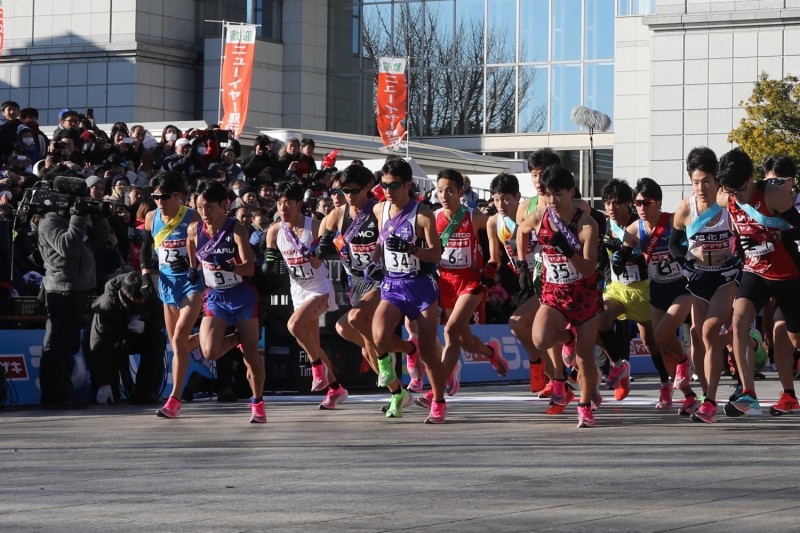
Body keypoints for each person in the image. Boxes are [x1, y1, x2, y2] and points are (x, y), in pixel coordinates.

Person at [318, 164, 413, 417]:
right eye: (344, 191)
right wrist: (324, 242)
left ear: (368, 189)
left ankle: (389, 356)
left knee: (356, 318)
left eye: (354, 191)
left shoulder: (379, 209)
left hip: (383, 279)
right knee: (347, 331)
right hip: (356, 282)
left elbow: (395, 231)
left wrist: (384, 258)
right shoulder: (339, 214)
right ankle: (398, 390)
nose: (349, 196)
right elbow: (322, 233)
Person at [719, 148, 800, 417]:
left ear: (752, 177)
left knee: (789, 337)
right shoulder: (726, 196)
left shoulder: (772, 193)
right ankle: (748, 392)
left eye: (740, 189)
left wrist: (773, 238)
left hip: (788, 276)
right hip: (756, 272)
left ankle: (789, 395)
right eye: (731, 190)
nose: (736, 196)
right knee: (739, 319)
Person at [368, 159, 446, 423]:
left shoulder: (422, 214)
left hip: (421, 286)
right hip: (393, 285)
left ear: (408, 185)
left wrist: (412, 250)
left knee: (428, 350)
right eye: (384, 185)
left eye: (394, 185)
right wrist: (374, 262)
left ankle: (438, 399)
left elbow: (436, 254)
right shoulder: (380, 209)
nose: (388, 190)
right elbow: (381, 241)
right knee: (378, 336)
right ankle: (405, 355)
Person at [668, 148, 741, 423]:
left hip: (725, 278)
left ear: (717, 180)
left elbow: (745, 236)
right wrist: (683, 264)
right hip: (698, 279)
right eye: (696, 181)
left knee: (709, 330)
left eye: (707, 181)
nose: (701, 187)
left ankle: (710, 400)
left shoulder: (727, 205)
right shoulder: (686, 208)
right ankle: (705, 394)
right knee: (699, 336)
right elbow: (674, 244)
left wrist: (737, 259)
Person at [526, 166, 603, 428]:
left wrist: (568, 252)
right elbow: (522, 227)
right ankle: (567, 337)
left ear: (571, 192)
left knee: (584, 356)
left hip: (583, 294)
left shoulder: (586, 224)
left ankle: (584, 407)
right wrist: (521, 256)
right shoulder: (540, 216)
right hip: (554, 292)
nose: (553, 201)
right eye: (548, 195)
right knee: (540, 338)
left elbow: (590, 268)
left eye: (558, 194)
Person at [186, 181, 266, 423]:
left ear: (224, 206)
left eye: (209, 207)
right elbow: (192, 246)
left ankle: (258, 402)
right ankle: (237, 338)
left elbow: (250, 268)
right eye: (200, 207)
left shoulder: (236, 229)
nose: (204, 213)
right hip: (216, 297)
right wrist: (192, 268)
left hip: (241, 295)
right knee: (209, 351)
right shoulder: (194, 229)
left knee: (251, 356)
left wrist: (230, 266)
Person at [265, 181, 349, 409]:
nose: (282, 208)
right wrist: (266, 267)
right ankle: (335, 389)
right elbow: (270, 259)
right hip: (297, 290)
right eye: (279, 203)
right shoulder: (274, 230)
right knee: (312, 343)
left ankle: (316, 368)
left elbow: (318, 259)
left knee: (294, 326)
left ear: (299, 204)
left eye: (287, 204)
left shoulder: (315, 226)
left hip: (319, 287)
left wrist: (313, 251)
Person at [618, 178, 699, 415]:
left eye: (647, 202)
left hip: (682, 287)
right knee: (655, 343)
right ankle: (687, 395)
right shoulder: (634, 228)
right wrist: (621, 256)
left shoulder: (673, 221)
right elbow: (623, 247)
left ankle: (684, 361)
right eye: (638, 203)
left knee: (665, 333)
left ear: (659, 203)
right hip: (658, 289)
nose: (642, 208)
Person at [432, 168, 509, 404]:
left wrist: (491, 265)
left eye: (450, 191)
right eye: (440, 190)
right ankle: (491, 352)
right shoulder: (433, 217)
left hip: (471, 282)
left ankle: (436, 392)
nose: (444, 195)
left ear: (461, 191)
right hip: (446, 282)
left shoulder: (474, 216)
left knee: (450, 330)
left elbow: (495, 243)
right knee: (463, 339)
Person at [141, 172, 205, 419]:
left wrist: (193, 265)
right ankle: (214, 334)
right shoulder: (151, 217)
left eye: (165, 196)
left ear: (178, 195)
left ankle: (174, 400)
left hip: (191, 284)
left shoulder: (191, 216)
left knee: (179, 338)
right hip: (166, 285)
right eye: (156, 196)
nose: (160, 202)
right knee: (179, 345)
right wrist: (147, 274)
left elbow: (207, 249)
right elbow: (146, 250)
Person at [485, 173, 549, 396]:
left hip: (546, 279)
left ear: (517, 197)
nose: (500, 205)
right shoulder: (494, 222)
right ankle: (553, 375)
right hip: (523, 283)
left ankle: (540, 366)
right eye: (496, 199)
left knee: (520, 324)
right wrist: (488, 273)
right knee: (531, 330)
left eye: (505, 199)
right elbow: (495, 258)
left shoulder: (531, 215)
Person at [37, 177, 96, 408]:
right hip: (62, 288)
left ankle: (62, 393)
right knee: (58, 343)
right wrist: (78, 217)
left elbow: (98, 242)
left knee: (68, 343)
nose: (79, 204)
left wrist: (97, 218)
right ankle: (57, 396)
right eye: (77, 200)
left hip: (75, 287)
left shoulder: (69, 219)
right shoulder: (50, 221)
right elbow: (67, 247)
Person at [84, 271, 166, 405]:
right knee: (111, 396)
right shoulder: (107, 305)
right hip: (108, 342)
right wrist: (103, 383)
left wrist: (146, 326)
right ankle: (105, 386)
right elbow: (98, 345)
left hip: (130, 337)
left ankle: (145, 391)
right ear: (126, 294)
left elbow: (160, 318)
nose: (141, 303)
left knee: (157, 338)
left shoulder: (148, 293)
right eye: (137, 300)